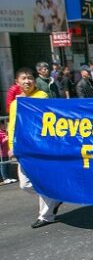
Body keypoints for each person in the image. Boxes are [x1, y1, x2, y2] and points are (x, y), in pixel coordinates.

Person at [7, 68, 62, 228]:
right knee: (25, 184)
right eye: (23, 79)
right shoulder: (15, 104)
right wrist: (11, 146)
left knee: (41, 179)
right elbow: (12, 126)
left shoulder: (41, 96)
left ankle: (46, 215)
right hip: (23, 149)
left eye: (30, 78)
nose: (27, 81)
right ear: (17, 82)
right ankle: (55, 196)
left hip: (40, 147)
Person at [0, 119, 15, 184]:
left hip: (7, 152)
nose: (5, 125)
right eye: (4, 124)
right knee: (3, 165)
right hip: (2, 153)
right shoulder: (0, 133)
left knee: (8, 164)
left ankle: (9, 177)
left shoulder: (5, 132)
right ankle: (5, 178)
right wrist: (5, 140)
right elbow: (1, 143)